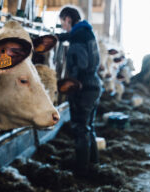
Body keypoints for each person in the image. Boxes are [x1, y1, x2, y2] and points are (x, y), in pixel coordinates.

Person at [55, 6, 102, 176]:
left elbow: (81, 63)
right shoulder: (85, 32)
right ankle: (93, 163)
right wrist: (57, 37)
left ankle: (81, 171)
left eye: (62, 23)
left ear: (67, 19)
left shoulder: (78, 39)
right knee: (89, 127)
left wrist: (72, 82)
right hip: (94, 85)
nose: (63, 27)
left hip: (83, 88)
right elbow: (71, 36)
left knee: (80, 128)